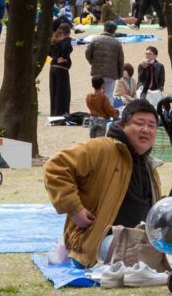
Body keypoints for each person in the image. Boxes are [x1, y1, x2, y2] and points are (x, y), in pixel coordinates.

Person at [44, 101, 161, 267]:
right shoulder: (101, 148)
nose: (146, 130)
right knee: (139, 258)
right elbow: (55, 166)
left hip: (139, 239)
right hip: (100, 242)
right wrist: (74, 209)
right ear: (123, 124)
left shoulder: (150, 167)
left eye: (152, 125)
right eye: (139, 123)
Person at [85, 21, 124, 100]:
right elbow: (121, 60)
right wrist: (120, 74)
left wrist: (93, 62)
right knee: (109, 95)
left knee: (97, 94)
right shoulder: (117, 43)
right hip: (111, 73)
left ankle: (96, 107)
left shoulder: (95, 39)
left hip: (97, 72)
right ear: (114, 30)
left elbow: (87, 53)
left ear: (104, 28)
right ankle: (107, 108)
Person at [48, 21, 74, 117]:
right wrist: (64, 57)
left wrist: (54, 57)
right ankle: (61, 112)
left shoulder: (54, 40)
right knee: (62, 91)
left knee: (54, 91)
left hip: (53, 67)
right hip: (61, 68)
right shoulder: (66, 40)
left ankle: (54, 112)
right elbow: (66, 48)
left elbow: (48, 51)